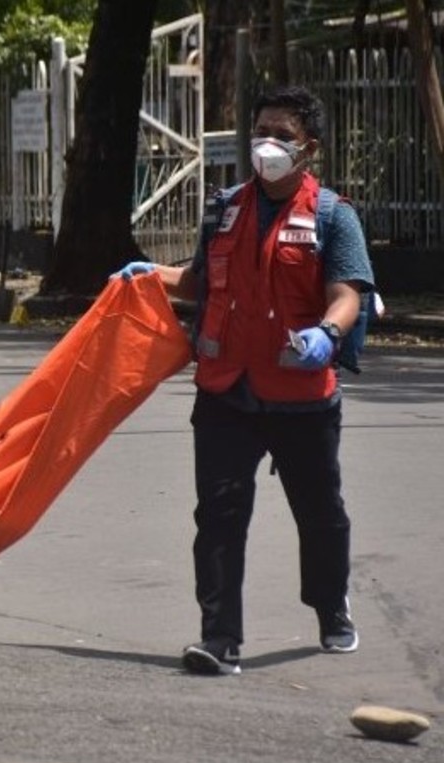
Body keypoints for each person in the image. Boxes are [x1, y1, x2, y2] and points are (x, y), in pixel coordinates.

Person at [116, 85, 375, 675]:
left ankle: (332, 608)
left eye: (283, 135)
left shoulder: (334, 216)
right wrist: (149, 275)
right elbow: (200, 280)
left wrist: (328, 336)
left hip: (301, 396)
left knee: (321, 514)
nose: (268, 144)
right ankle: (219, 639)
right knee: (219, 515)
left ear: (309, 148)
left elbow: (348, 293)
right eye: (261, 130)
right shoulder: (225, 207)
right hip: (226, 391)